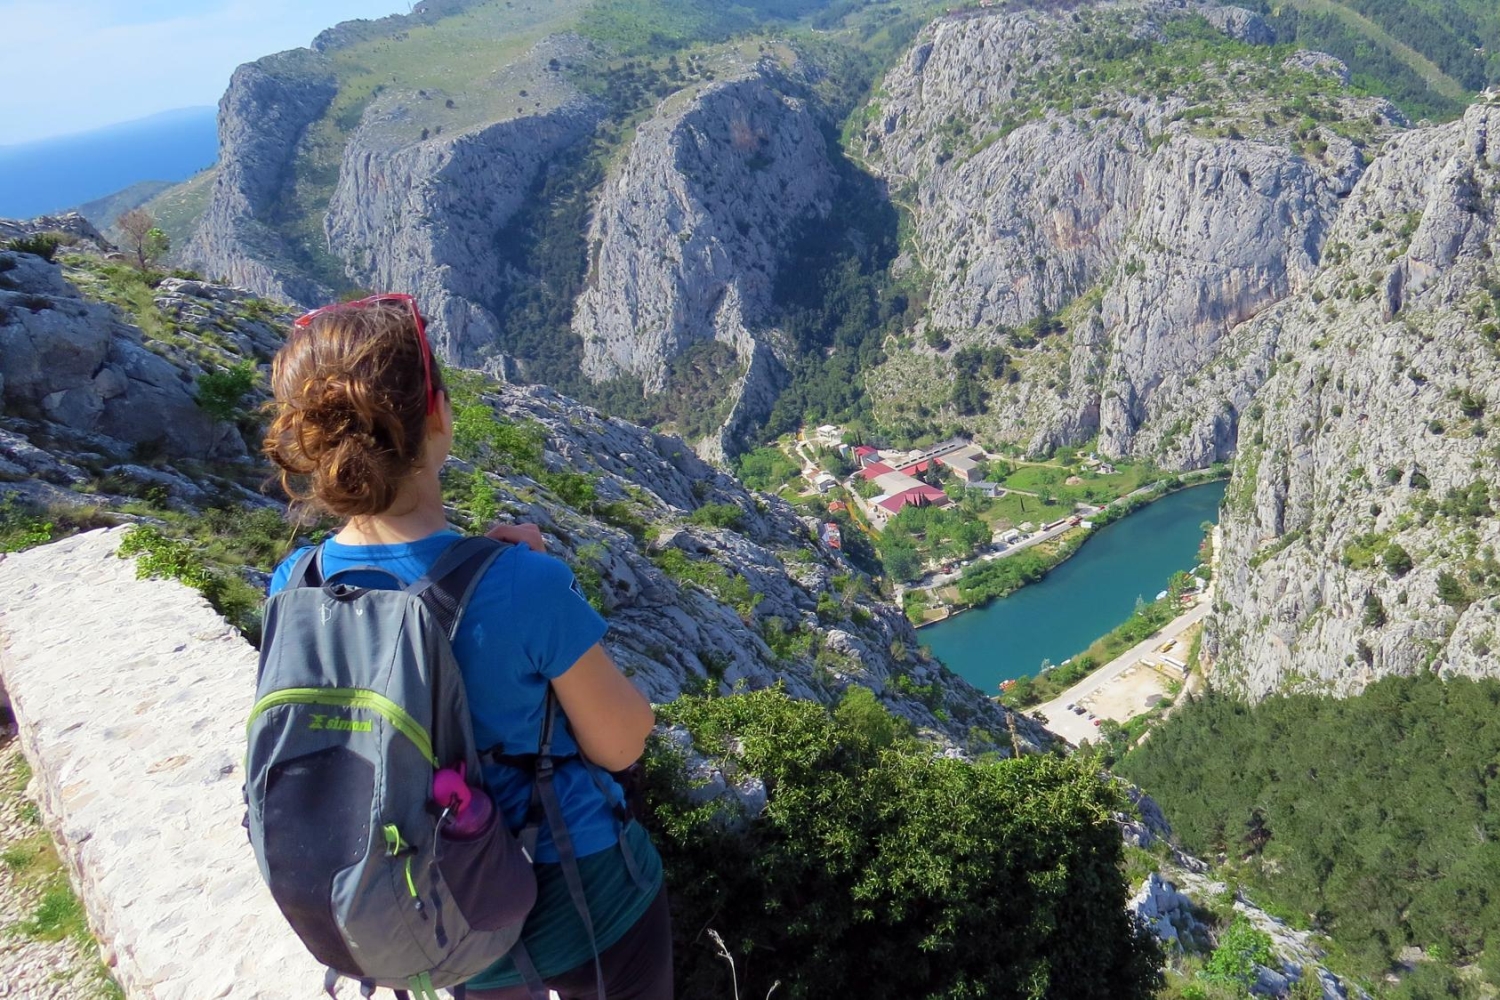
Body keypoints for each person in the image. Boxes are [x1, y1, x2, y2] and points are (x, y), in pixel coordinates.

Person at [261, 294, 673, 1000]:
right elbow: (623, 741)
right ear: (439, 418)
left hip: (436, 911)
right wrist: (540, 583)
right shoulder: (522, 585)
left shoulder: (295, 584)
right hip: (576, 901)